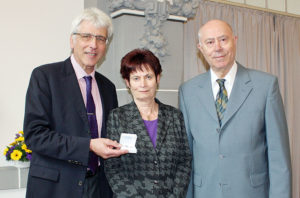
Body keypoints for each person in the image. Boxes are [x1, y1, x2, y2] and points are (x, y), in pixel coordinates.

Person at [179, 19, 291, 198]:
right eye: (210, 42)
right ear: (201, 48)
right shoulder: (188, 91)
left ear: (235, 40)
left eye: (223, 39)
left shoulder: (266, 86)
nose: (217, 47)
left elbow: (279, 159)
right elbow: (187, 156)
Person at [23, 8, 128, 198]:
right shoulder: (45, 77)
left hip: (98, 186)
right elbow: (35, 136)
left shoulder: (108, 87)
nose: (93, 45)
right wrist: (88, 145)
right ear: (72, 41)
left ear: (106, 46)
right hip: (56, 188)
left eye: (101, 39)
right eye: (86, 36)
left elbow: (109, 135)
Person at [104, 48, 192, 197]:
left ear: (158, 78)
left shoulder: (175, 116)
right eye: (136, 78)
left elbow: (184, 161)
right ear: (127, 82)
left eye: (148, 77)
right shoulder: (117, 117)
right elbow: (113, 167)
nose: (143, 84)